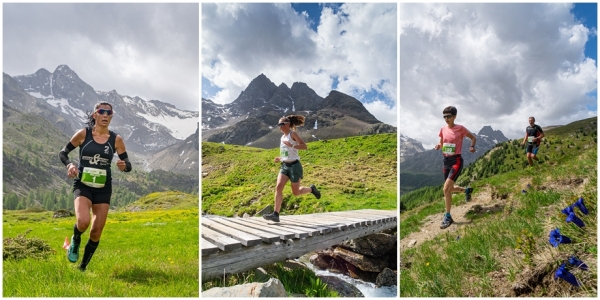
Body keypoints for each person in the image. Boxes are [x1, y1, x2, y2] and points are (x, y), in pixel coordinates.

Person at [58, 102, 132, 271]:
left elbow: (128, 164)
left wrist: (124, 166)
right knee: (83, 222)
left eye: (109, 112)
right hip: (83, 185)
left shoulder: (116, 139)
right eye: (101, 111)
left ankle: (82, 267)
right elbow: (63, 153)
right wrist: (69, 165)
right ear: (94, 115)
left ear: (111, 116)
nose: (105, 115)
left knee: (96, 231)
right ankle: (76, 239)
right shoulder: (83, 134)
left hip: (103, 188)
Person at [263, 115, 321, 222]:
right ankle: (276, 214)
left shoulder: (292, 134)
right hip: (285, 165)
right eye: (278, 125)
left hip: (295, 166)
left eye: (281, 124)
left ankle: (312, 189)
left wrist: (292, 146)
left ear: (287, 124)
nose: (280, 127)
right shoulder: (282, 137)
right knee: (278, 187)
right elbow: (286, 153)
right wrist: (280, 158)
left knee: (296, 192)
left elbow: (304, 146)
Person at [434, 106, 476, 229]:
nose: (446, 119)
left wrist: (472, 146)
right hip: (445, 160)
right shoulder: (442, 129)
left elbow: (473, 137)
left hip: (456, 160)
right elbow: (442, 143)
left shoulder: (460, 129)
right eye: (444, 116)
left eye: (448, 116)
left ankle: (448, 216)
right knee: (449, 189)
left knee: (446, 188)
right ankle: (467, 191)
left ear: (454, 116)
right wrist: (438, 146)